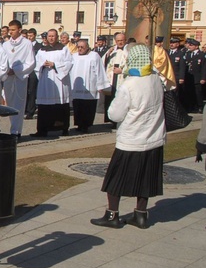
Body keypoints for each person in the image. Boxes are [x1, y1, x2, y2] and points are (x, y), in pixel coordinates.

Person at [91, 44, 165, 229]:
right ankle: (141, 215)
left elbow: (115, 115)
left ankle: (112, 215)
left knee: (115, 178)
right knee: (145, 177)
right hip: (154, 137)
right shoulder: (156, 79)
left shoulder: (129, 85)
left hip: (132, 140)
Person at [32, 29, 73, 137]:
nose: (51, 38)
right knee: (44, 106)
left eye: (53, 36)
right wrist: (42, 64)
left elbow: (69, 63)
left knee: (60, 104)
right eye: (49, 36)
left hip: (59, 80)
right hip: (46, 79)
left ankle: (63, 128)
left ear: (57, 37)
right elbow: (36, 64)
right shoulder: (42, 50)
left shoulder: (63, 49)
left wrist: (55, 64)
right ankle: (42, 129)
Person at [2, 20, 35, 137]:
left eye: (13, 30)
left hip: (20, 77)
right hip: (8, 77)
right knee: (10, 103)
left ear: (19, 30)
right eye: (9, 30)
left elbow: (31, 62)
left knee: (19, 104)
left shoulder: (27, 44)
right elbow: (3, 60)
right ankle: (13, 126)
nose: (10, 32)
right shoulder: (5, 45)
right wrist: (6, 70)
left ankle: (16, 131)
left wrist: (16, 70)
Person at [70, 39, 110, 133]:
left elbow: (99, 70)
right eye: (78, 47)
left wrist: (100, 85)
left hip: (90, 86)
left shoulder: (94, 56)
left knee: (88, 107)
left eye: (82, 47)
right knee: (78, 106)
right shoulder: (74, 56)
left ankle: (86, 125)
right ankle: (79, 124)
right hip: (77, 86)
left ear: (87, 47)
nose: (80, 49)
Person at [103, 32, 128, 125]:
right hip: (112, 79)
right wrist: (107, 55)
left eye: (122, 40)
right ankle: (111, 120)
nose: (120, 42)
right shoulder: (112, 50)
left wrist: (122, 70)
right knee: (111, 99)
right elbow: (103, 62)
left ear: (125, 40)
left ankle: (121, 119)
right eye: (118, 41)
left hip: (122, 78)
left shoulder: (128, 51)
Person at [184, 38, 206, 113]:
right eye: (189, 45)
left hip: (198, 77)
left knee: (198, 93)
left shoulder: (202, 55)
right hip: (189, 77)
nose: (189, 47)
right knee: (190, 93)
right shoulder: (187, 54)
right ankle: (191, 106)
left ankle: (200, 106)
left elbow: (204, 68)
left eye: (191, 45)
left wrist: (203, 78)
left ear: (196, 46)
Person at [24, 28, 42, 120]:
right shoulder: (25, 45)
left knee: (31, 91)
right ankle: (25, 109)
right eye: (28, 36)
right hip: (25, 70)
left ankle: (30, 111)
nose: (29, 37)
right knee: (25, 90)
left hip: (34, 70)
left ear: (35, 35)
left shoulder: (39, 46)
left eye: (31, 36)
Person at [169, 37, 187, 103]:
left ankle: (175, 108)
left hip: (176, 76)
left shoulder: (180, 54)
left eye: (173, 43)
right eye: (171, 43)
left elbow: (182, 67)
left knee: (175, 93)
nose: (171, 44)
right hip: (168, 76)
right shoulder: (166, 52)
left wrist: (181, 78)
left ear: (177, 44)